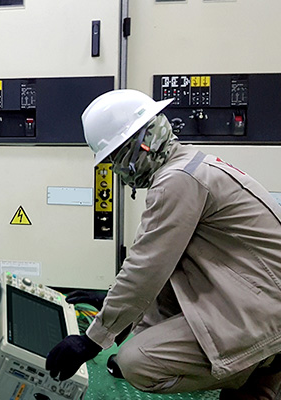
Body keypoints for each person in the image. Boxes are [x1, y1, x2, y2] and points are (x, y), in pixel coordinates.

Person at [45, 89, 281, 399]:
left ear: (143, 141)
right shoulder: (190, 164)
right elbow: (159, 265)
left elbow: (146, 267)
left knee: (136, 362)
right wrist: (112, 302)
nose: (118, 168)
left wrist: (92, 340)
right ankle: (261, 369)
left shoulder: (178, 180)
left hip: (265, 308)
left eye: (118, 156)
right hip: (253, 293)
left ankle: (258, 365)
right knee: (145, 321)